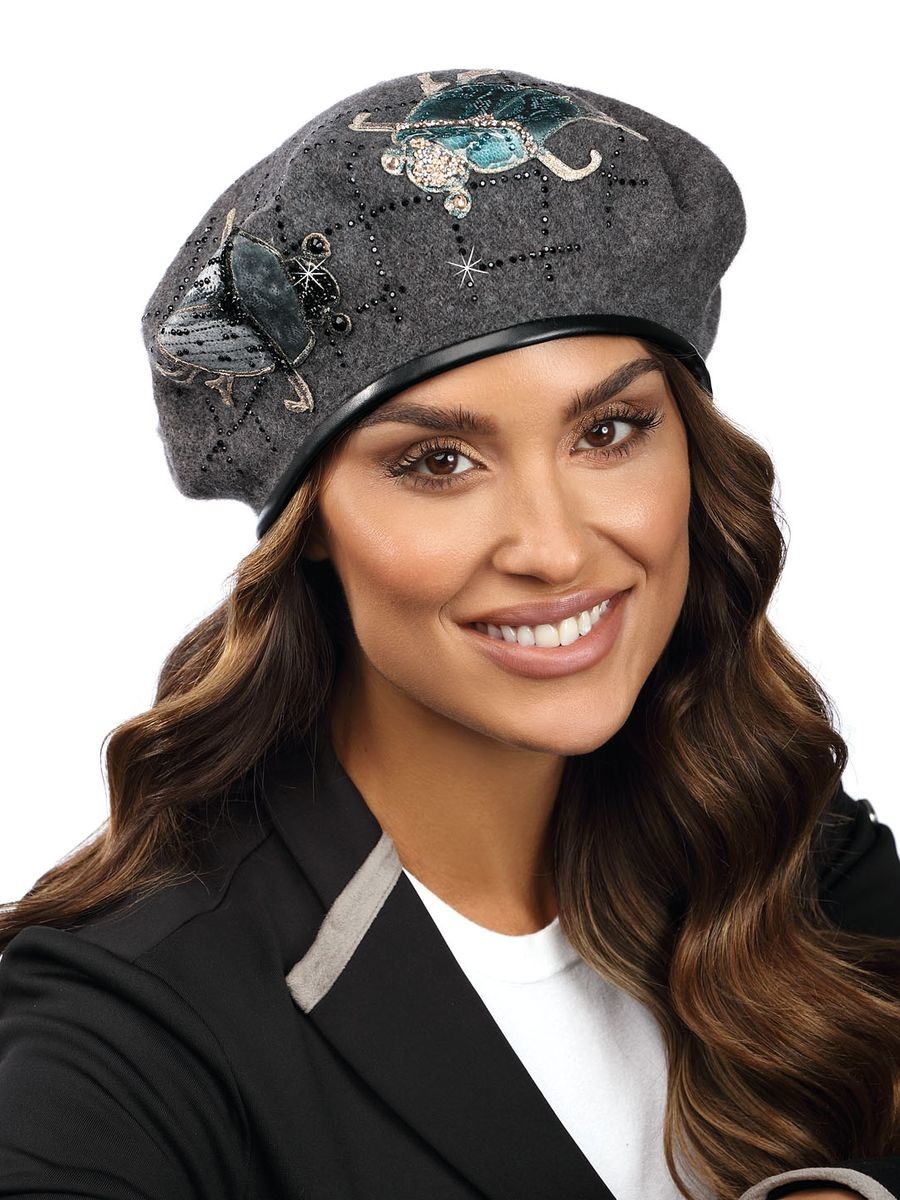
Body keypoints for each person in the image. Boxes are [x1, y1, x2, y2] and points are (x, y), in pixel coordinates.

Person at [0, 66, 898, 1200]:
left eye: (609, 431)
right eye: (438, 462)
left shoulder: (775, 838)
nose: (554, 549)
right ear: (311, 525)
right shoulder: (130, 1026)